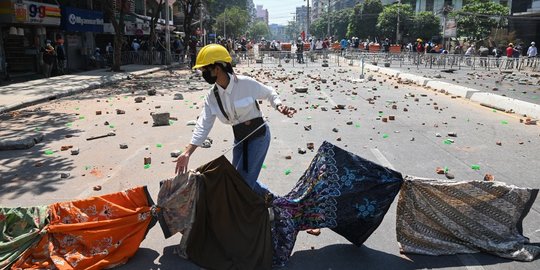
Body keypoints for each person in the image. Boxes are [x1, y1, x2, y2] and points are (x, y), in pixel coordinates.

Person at [174, 44, 296, 198]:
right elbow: (203, 125)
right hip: (240, 139)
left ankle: (262, 210)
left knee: (242, 184)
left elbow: (269, 93)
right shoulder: (212, 97)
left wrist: (279, 105)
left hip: (259, 136)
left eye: (205, 70)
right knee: (237, 179)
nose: (203, 74)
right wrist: (187, 153)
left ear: (217, 68)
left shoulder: (245, 84)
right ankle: (271, 199)